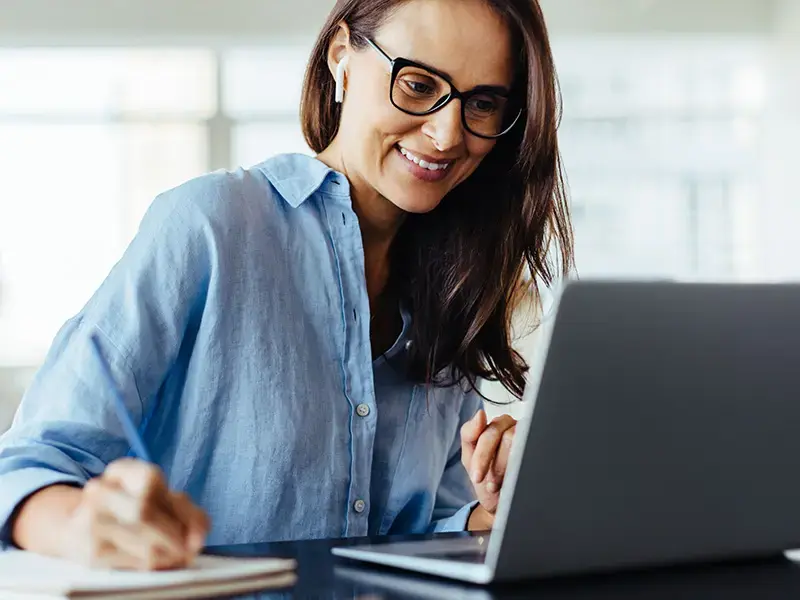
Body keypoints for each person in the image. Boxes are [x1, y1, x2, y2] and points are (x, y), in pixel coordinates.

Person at [0, 0, 572, 571]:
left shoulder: (460, 288)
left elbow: (415, 532)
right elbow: (25, 466)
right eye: (419, 84)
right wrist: (78, 524)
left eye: (484, 103)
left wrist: (485, 517)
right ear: (341, 56)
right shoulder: (211, 226)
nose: (448, 133)